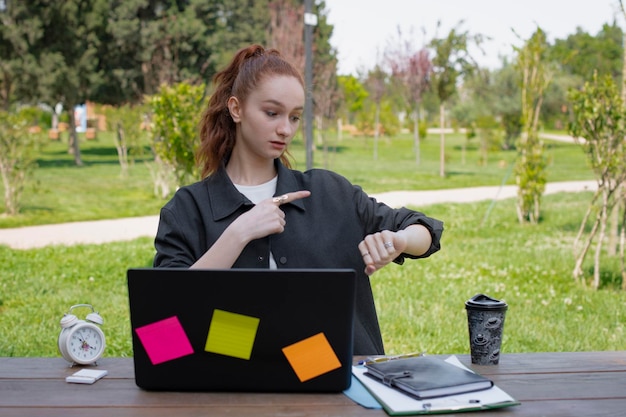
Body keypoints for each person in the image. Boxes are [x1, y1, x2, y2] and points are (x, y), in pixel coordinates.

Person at [153, 44, 444, 355]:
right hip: (232, 373)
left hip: (336, 375)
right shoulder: (188, 208)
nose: (285, 129)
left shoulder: (328, 192)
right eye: (272, 113)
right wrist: (238, 234)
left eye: (294, 117)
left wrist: (398, 240)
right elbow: (162, 330)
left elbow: (425, 229)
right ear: (236, 109)